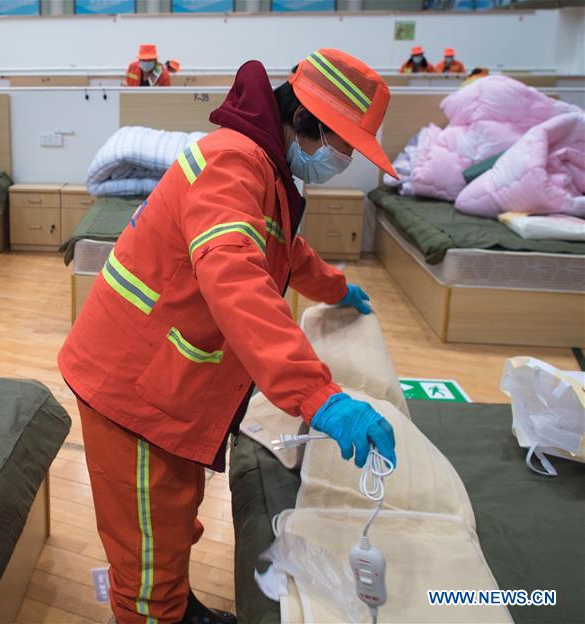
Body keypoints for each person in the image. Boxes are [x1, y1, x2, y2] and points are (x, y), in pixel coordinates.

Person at [58, 49, 398, 624]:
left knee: (171, 517)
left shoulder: (265, 169)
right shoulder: (233, 163)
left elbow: (282, 251)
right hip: (130, 386)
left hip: (167, 376)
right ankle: (157, 611)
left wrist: (335, 289)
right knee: (145, 554)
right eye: (344, 147)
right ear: (309, 124)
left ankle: (177, 606)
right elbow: (235, 271)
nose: (345, 160)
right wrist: (318, 395)